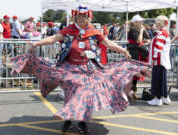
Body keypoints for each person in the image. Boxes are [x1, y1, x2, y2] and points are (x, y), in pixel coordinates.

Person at [11, 5, 150, 134]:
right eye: (79, 16)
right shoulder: (68, 29)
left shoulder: (93, 31)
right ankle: (68, 120)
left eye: (85, 16)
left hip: (87, 69)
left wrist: (122, 50)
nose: (82, 18)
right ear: (75, 17)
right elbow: (54, 38)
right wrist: (36, 43)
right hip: (69, 68)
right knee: (70, 93)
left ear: (89, 17)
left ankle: (82, 121)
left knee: (85, 94)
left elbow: (107, 43)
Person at [147, 15, 171, 106]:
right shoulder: (164, 32)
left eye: (156, 23)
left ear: (159, 23)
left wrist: (153, 59)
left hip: (159, 61)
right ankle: (164, 97)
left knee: (157, 80)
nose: (155, 24)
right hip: (162, 61)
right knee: (162, 80)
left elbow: (158, 48)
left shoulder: (161, 33)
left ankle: (157, 98)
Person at [127, 14, 150, 100]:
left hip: (138, 53)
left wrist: (143, 30)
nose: (142, 22)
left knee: (135, 75)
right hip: (134, 54)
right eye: (140, 21)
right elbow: (138, 40)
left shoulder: (138, 29)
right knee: (133, 75)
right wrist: (141, 31)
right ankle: (130, 94)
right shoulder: (133, 30)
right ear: (136, 22)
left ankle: (133, 94)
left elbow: (147, 37)